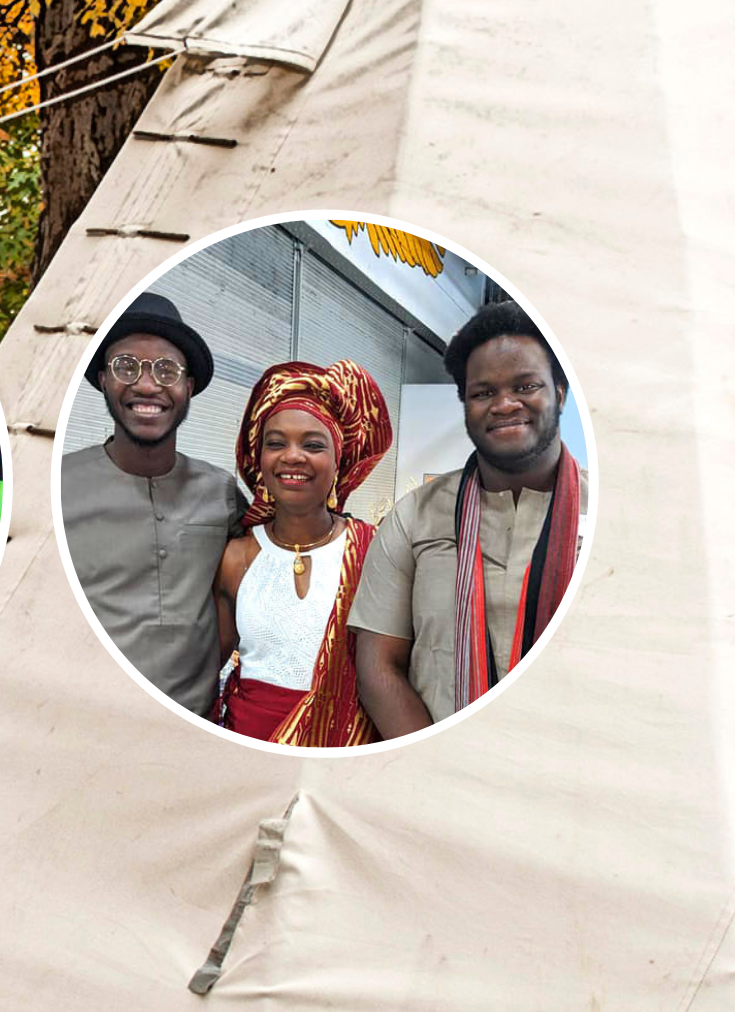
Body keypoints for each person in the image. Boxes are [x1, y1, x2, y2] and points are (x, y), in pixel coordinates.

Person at [349, 302, 584, 736]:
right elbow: (378, 666)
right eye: (483, 392)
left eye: (526, 385)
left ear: (561, 392)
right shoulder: (414, 515)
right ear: (465, 405)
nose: (504, 404)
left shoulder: (612, 512)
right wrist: (437, 762)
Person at [58, 292, 243, 717]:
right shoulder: (56, 486)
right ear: (103, 379)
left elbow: (244, 587)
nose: (146, 385)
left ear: (188, 387)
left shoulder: (223, 493)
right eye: (126, 367)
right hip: (83, 720)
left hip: (193, 727)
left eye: (166, 370)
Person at [212, 361, 393, 746]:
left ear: (338, 460)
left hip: (347, 750)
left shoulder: (373, 550)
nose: (293, 456)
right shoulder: (235, 557)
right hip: (248, 745)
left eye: (313, 445)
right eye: (276, 443)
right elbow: (204, 666)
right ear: (259, 459)